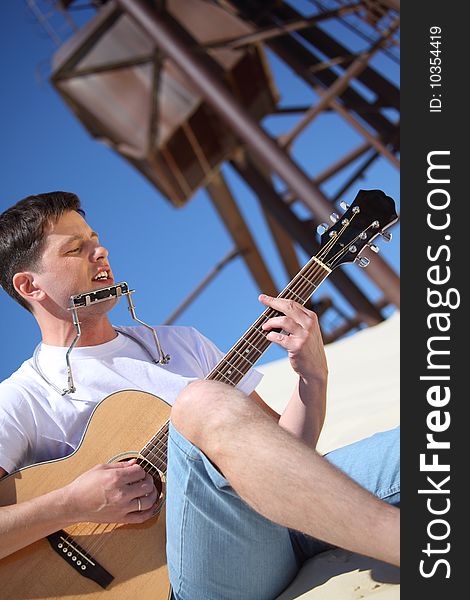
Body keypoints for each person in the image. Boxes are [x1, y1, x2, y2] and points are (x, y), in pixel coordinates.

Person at [0, 192, 399, 599]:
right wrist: (72, 503)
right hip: (189, 576)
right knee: (198, 402)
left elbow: (291, 455)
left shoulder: (182, 343)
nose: (99, 251)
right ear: (30, 285)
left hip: (281, 523)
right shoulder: (22, 397)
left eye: (95, 240)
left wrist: (313, 377)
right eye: (76, 249)